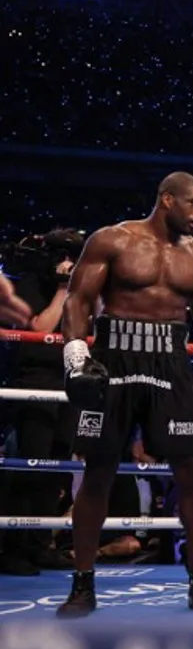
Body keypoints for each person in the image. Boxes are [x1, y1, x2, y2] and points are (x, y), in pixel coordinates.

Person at [57, 171, 193, 618]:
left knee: (191, 469)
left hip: (171, 364)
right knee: (99, 471)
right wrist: (77, 359)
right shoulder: (112, 240)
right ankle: (82, 584)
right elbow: (77, 300)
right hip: (113, 359)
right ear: (166, 199)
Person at [0, 230, 83, 575]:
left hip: (68, 384)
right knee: (29, 468)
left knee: (56, 472)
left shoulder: (79, 289)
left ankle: (39, 545)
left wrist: (78, 288)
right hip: (34, 385)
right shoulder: (30, 283)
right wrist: (63, 291)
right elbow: (38, 331)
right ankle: (12, 548)